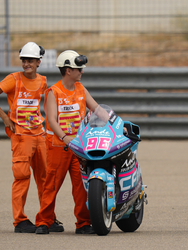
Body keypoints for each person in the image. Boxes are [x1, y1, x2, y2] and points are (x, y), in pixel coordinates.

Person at [35, 50, 109, 234]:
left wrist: (113, 120)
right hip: (58, 146)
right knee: (51, 185)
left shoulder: (81, 89)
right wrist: (64, 137)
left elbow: (97, 108)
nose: (82, 72)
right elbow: (51, 120)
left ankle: (83, 224)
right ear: (68, 70)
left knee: (82, 187)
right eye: (78, 69)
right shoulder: (53, 91)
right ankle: (44, 222)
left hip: (80, 148)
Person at [0, 42, 63, 233]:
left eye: (30, 60)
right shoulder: (13, 79)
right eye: (24, 60)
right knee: (22, 177)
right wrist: (5, 118)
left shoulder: (42, 81)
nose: (26, 63)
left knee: (45, 178)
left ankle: (47, 218)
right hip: (21, 137)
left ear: (38, 62)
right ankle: (20, 221)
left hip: (39, 135)